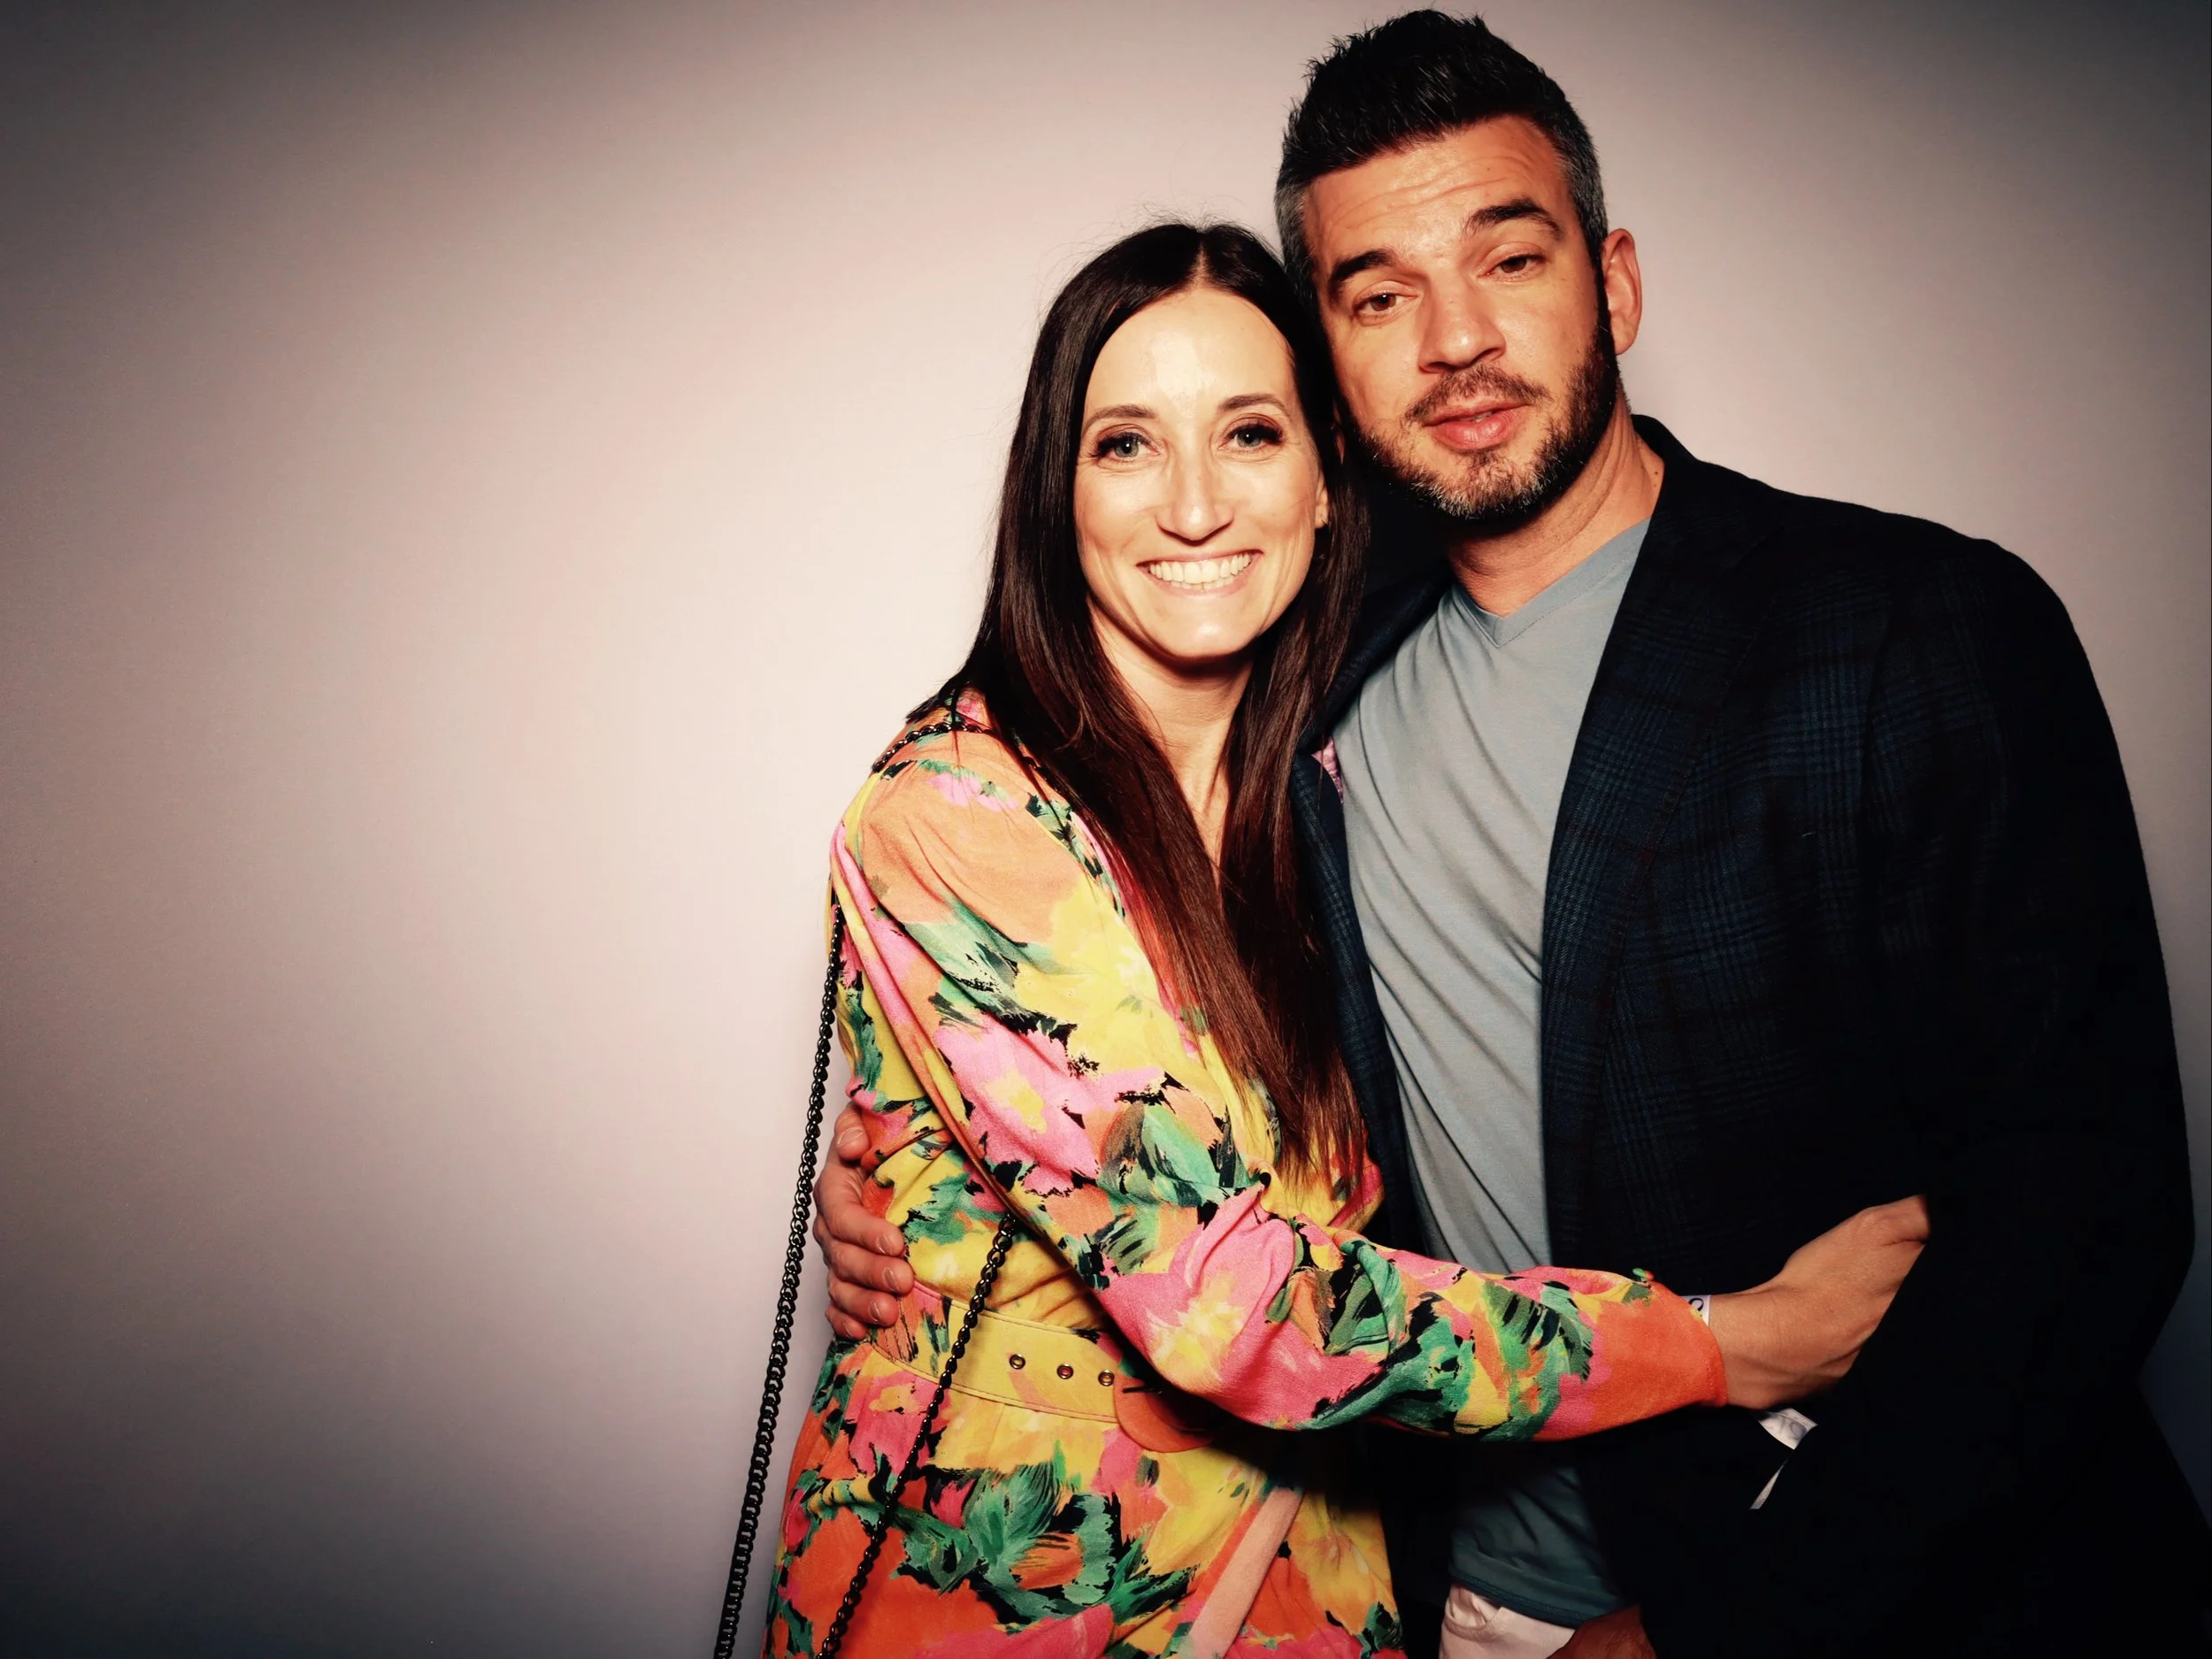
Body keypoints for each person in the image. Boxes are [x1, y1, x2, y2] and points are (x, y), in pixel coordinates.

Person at [815, 14, 2205, 1659]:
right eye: (1379, 295)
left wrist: (1709, 1627)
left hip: (1853, 1595)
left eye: (1509, 257)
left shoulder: (1914, 626)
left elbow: (2084, 1217)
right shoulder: (1307, 685)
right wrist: (927, 1165)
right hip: (1438, 1603)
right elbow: (1188, 1183)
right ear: (1332, 380)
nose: (1455, 339)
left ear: (1614, 284)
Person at [766, 220, 1925, 1659]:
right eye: (1126, 443)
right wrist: (1720, 1337)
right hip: (1017, 1611)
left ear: (1328, 478)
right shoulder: (960, 814)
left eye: (1247, 432)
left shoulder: (1330, 778)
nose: (1194, 504)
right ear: (1054, 493)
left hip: (1319, 1600)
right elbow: (1232, 1305)